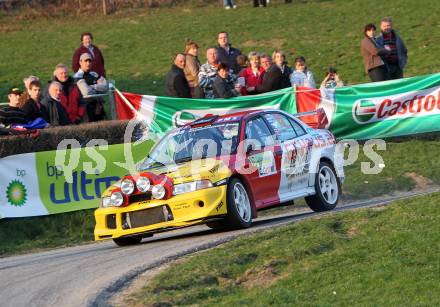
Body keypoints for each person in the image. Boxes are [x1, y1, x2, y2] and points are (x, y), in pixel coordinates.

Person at [73, 53, 107, 121]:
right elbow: (86, 92)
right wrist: (97, 88)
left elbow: (105, 87)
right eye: (86, 61)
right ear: (80, 62)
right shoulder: (77, 76)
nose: (88, 63)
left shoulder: (94, 74)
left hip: (98, 107)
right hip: (86, 109)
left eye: (90, 61)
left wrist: (91, 87)